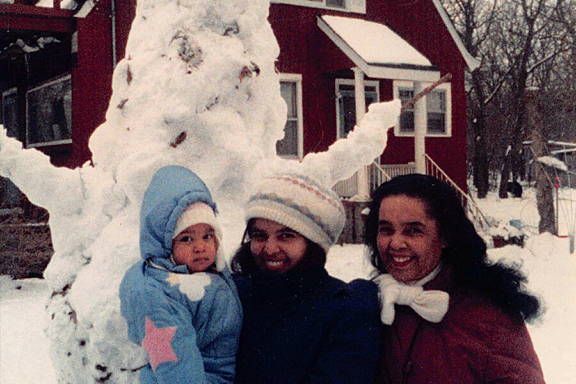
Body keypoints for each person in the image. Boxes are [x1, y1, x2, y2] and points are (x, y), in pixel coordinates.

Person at [365, 174, 545, 384]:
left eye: (413, 231)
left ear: (445, 236)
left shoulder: (491, 319)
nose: (395, 243)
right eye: (386, 230)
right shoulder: (366, 305)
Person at [231, 172, 381, 384]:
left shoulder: (344, 310)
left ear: (313, 243)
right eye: (259, 235)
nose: (270, 249)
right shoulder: (233, 295)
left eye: (286, 236)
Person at [120, 165, 242, 383]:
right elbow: (177, 362)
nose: (200, 247)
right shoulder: (161, 294)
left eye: (207, 236)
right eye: (186, 238)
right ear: (165, 245)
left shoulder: (208, 271)